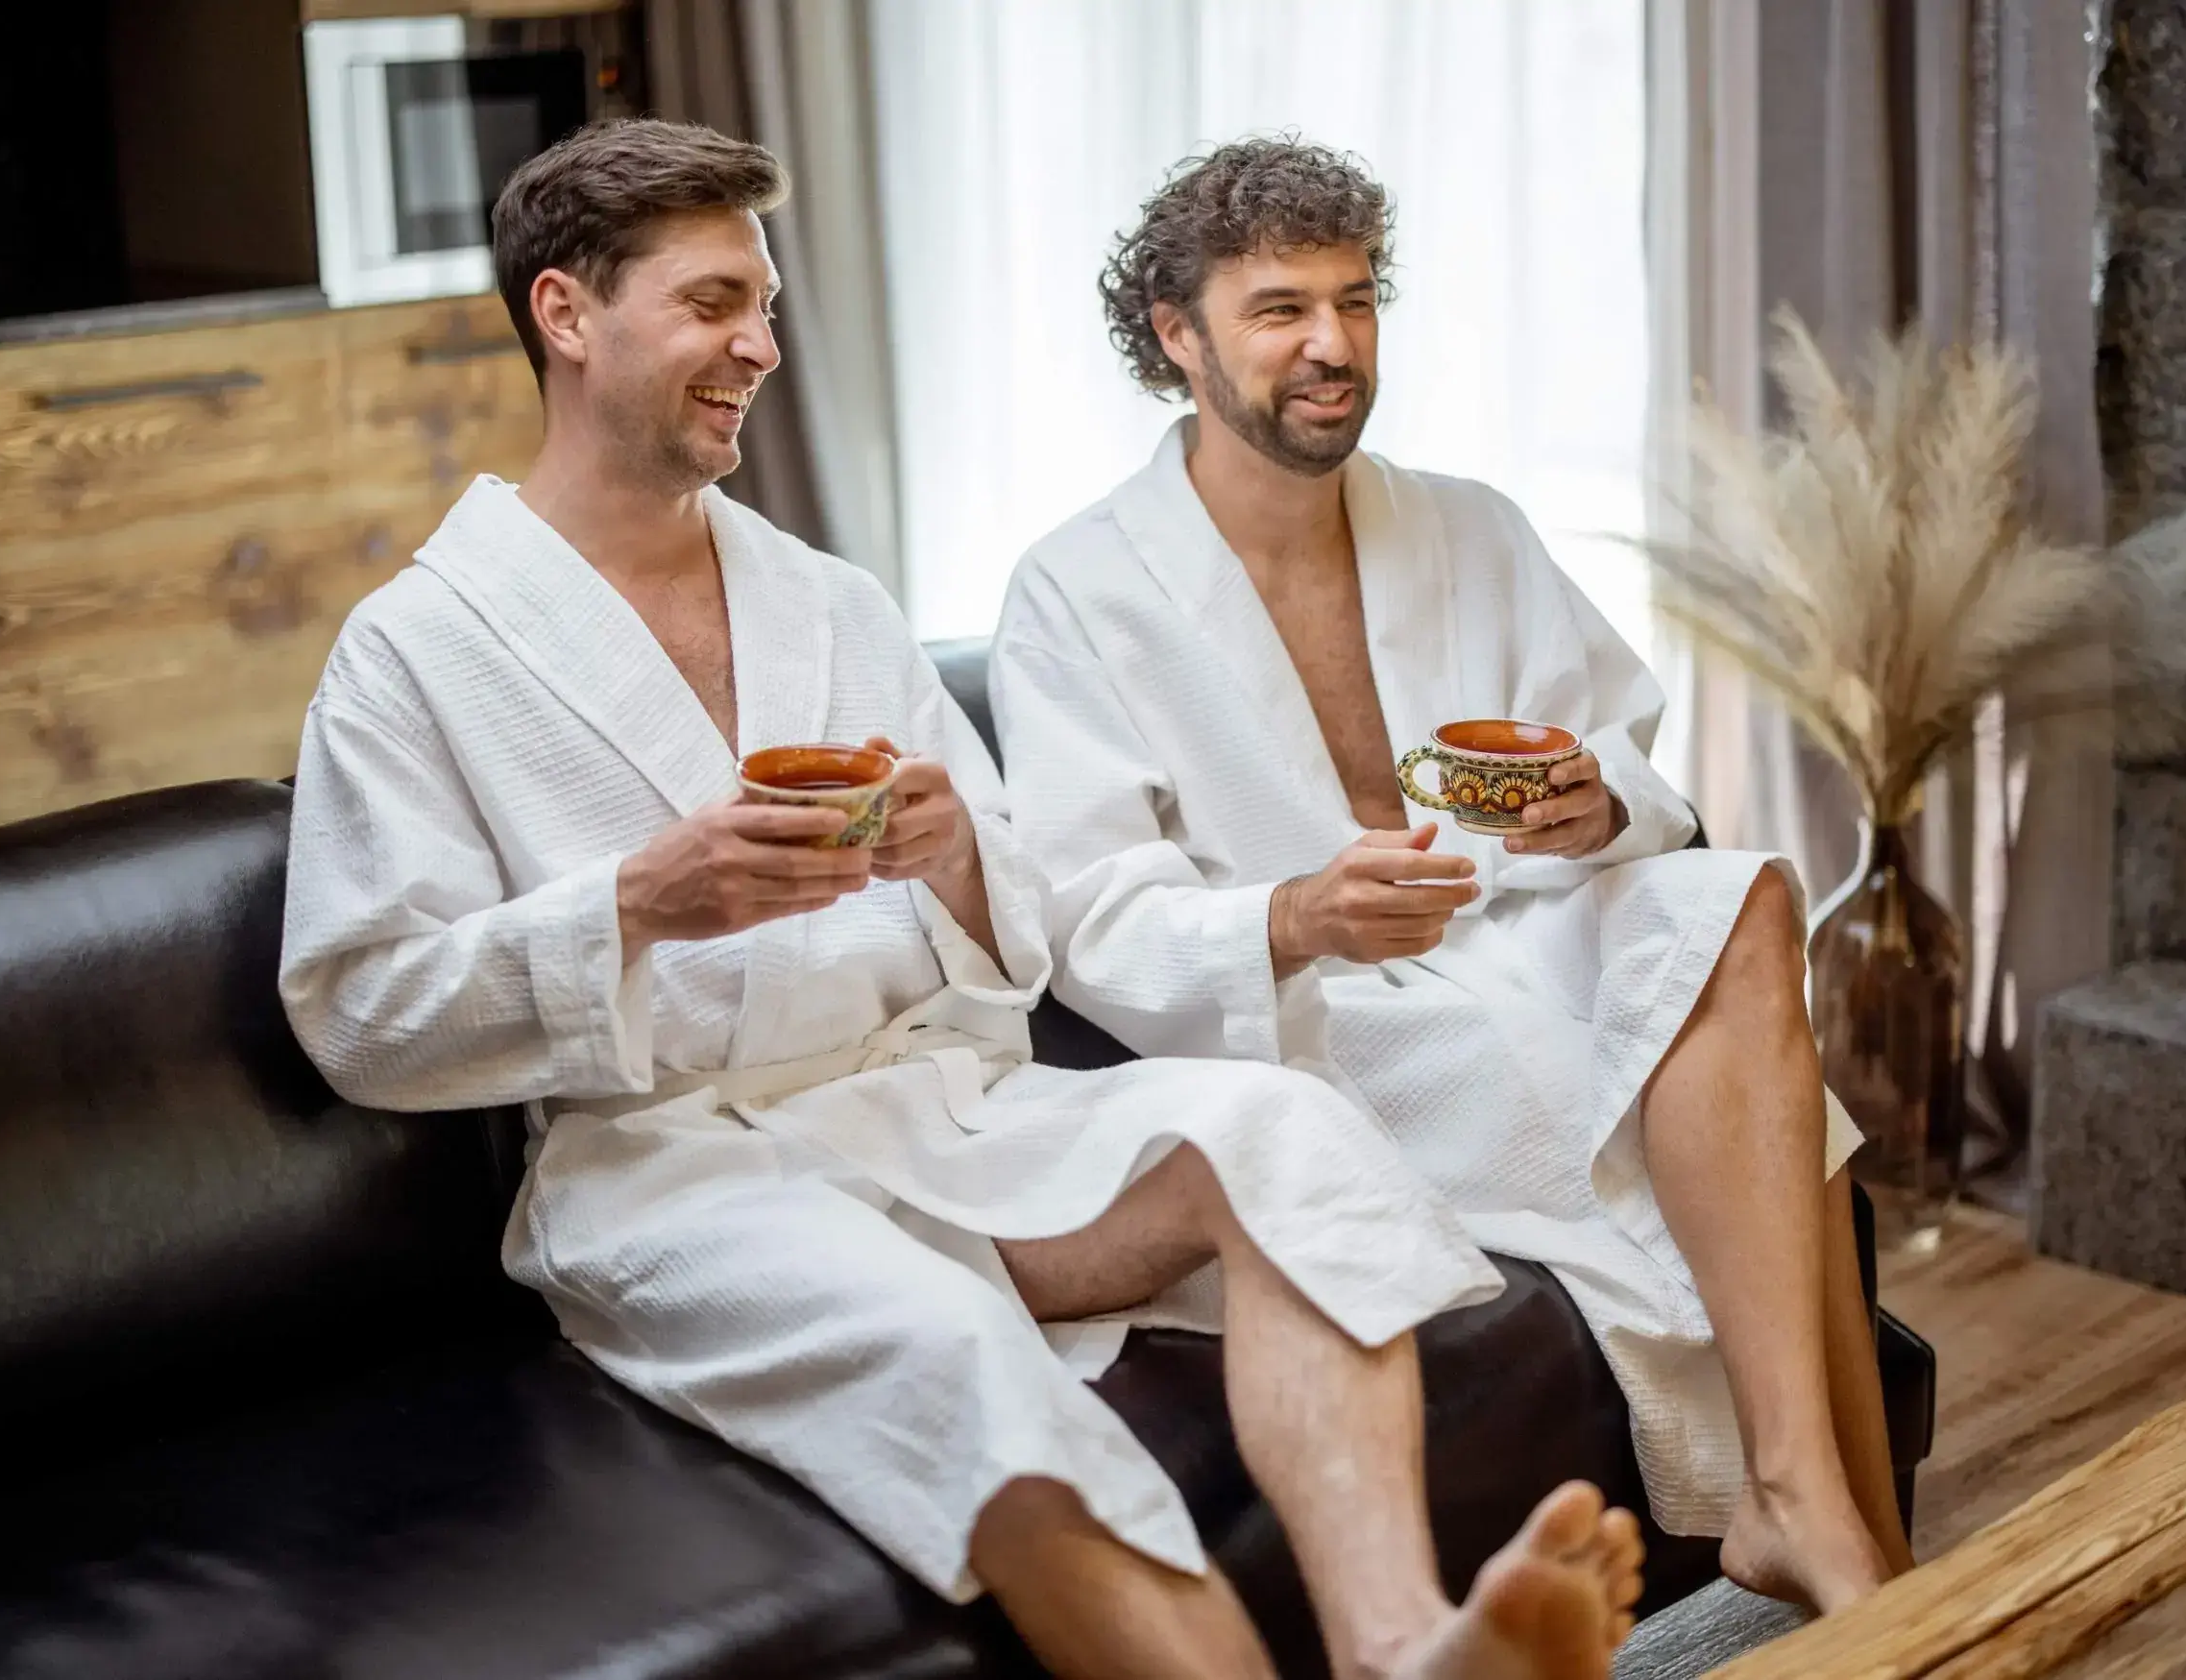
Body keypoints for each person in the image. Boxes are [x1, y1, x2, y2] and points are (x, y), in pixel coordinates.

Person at [279, 120, 1646, 1680]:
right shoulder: (415, 652)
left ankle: (1408, 1647)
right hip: (676, 1172)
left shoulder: (829, 601)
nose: (763, 347)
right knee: (961, 1362)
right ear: (566, 315)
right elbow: (362, 1016)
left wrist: (952, 862)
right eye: (716, 303)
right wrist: (633, 906)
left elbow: (1018, 943)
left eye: (769, 306)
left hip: (934, 1100)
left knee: (1283, 1134)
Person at [988, 138, 1915, 1616]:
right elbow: (1088, 913)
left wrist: (1590, 802)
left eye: (1356, 303)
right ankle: (1846, 1538)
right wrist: (1292, 916)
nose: (1332, 347)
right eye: (1279, 309)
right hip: (1333, 1022)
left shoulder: (1468, 522)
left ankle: (1801, 1501)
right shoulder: (1077, 591)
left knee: (1736, 899)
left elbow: (1623, 756)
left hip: (1525, 933)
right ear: (1177, 335)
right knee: (1769, 1107)